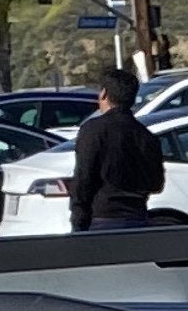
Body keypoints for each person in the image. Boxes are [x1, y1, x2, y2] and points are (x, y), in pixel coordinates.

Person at [65, 68, 163, 229]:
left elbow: (84, 177)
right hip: (138, 218)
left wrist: (78, 216)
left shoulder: (93, 130)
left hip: (101, 219)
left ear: (104, 94)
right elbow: (156, 183)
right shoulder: (146, 136)